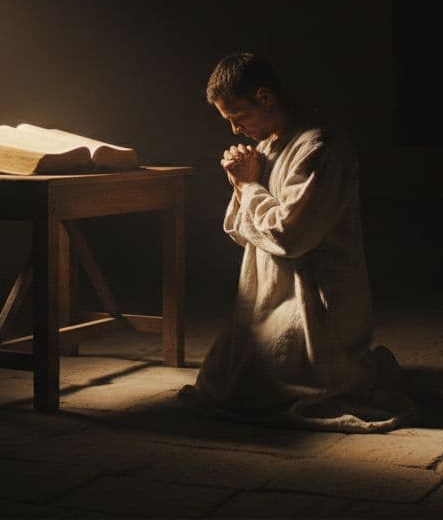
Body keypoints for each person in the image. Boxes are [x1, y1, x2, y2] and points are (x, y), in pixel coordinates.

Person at [178, 51, 416, 433]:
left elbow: (290, 238)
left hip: (315, 302)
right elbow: (243, 232)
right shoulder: (269, 146)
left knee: (265, 391)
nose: (235, 131)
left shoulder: (321, 147)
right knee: (220, 382)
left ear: (265, 97)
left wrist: (248, 184)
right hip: (269, 296)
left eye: (239, 117)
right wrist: (240, 185)